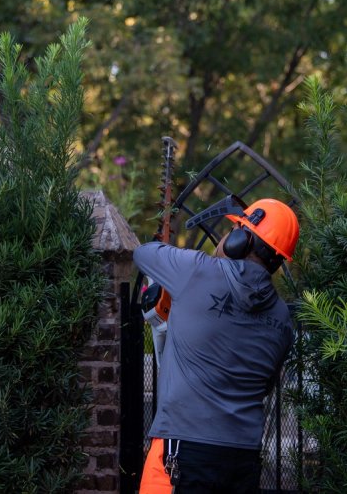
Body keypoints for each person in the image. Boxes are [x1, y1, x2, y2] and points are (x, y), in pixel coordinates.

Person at [135, 196, 300, 494]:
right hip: (243, 458)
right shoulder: (282, 319)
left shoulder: (199, 271)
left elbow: (145, 254)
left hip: (184, 449)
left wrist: (216, 256)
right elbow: (263, 386)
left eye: (235, 228)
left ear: (241, 239)